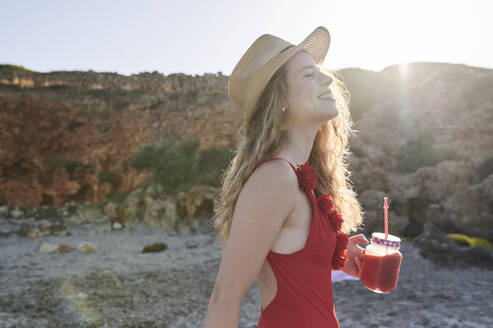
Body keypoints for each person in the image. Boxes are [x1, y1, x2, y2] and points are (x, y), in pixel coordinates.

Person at [204, 26, 368, 328]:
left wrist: (338, 252)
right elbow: (223, 300)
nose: (328, 78)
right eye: (308, 75)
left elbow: (291, 263)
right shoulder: (274, 178)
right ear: (281, 101)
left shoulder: (302, 177)